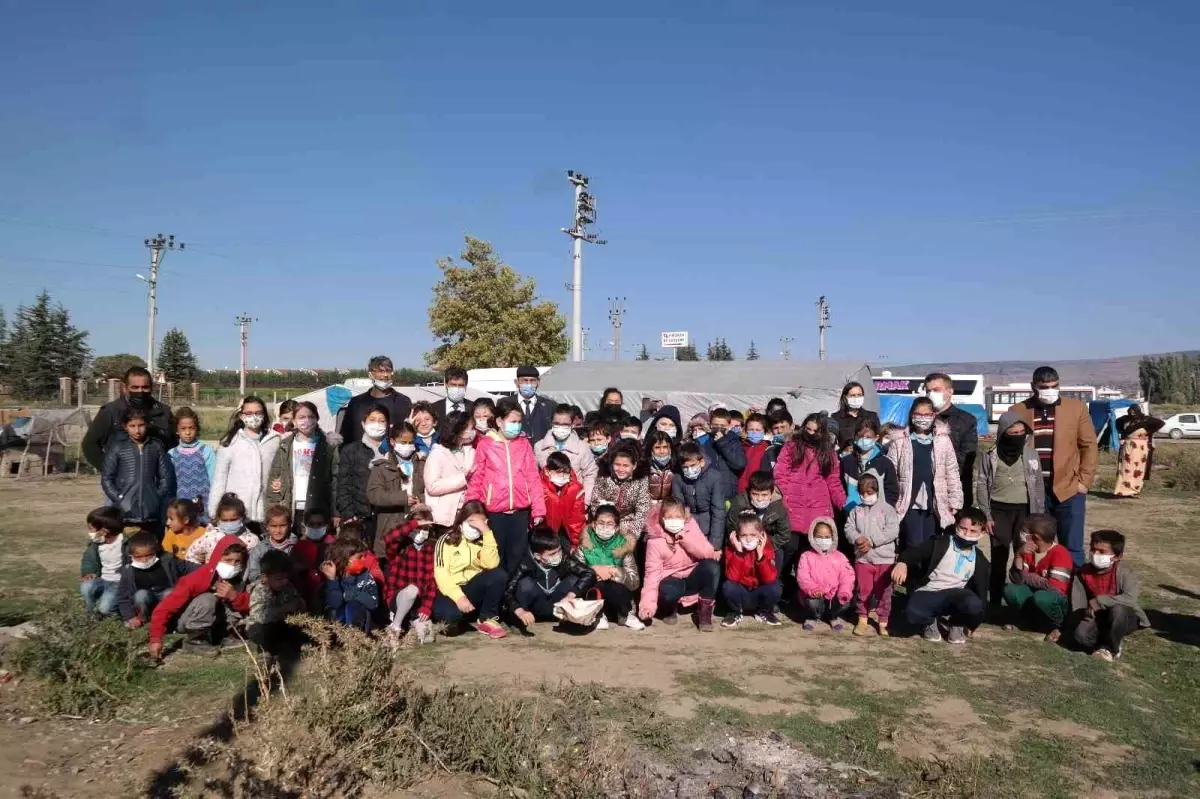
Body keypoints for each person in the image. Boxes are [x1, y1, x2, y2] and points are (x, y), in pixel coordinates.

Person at [1007, 366, 1098, 566]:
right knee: (1034, 543)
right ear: (1033, 386)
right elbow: (1008, 448)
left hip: (1069, 489)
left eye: (1054, 386)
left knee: (1072, 547)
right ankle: (1035, 588)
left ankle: (1072, 593)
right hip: (1032, 491)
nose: (1049, 390)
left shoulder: (1076, 408)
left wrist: (1084, 481)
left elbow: (1089, 445)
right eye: (1044, 386)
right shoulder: (1018, 410)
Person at [466, 397, 546, 573]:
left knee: (517, 556)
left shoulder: (524, 444)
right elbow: (477, 478)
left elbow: (532, 476)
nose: (516, 426)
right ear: (499, 421)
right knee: (496, 555)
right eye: (513, 421)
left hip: (520, 512)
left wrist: (538, 508)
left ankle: (513, 595)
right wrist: (471, 509)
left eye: (519, 422)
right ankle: (498, 595)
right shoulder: (486, 445)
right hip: (494, 512)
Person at [975, 410, 1046, 608]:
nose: (1017, 437)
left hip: (1025, 512)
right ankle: (995, 602)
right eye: (1012, 433)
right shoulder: (990, 456)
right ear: (1003, 433)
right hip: (998, 511)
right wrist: (987, 515)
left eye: (1021, 433)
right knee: (999, 556)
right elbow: (981, 485)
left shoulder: (1031, 454)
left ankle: (1019, 601)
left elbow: (1038, 483)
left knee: (1022, 555)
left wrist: (1037, 516)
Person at [892, 508, 990, 644]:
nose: (966, 534)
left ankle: (957, 624)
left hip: (957, 594)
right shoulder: (940, 543)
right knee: (912, 612)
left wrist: (972, 622)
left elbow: (981, 594)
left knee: (974, 605)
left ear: (982, 533)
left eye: (973, 531)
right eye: (962, 528)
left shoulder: (980, 561)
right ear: (956, 526)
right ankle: (929, 622)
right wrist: (902, 563)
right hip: (930, 591)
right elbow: (915, 553)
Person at [149, 536, 251, 659]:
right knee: (208, 599)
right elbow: (165, 608)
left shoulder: (242, 579)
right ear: (217, 558)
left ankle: (226, 635)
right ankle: (195, 640)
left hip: (218, 620)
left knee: (240, 597)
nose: (233, 565)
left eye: (237, 561)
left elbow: (251, 606)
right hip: (188, 621)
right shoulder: (198, 577)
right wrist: (156, 639)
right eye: (228, 560)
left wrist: (234, 597)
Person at [887, 398, 962, 549]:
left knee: (931, 544)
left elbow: (952, 471)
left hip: (935, 502)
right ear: (912, 415)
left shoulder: (943, 441)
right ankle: (911, 571)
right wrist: (890, 501)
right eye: (918, 414)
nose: (922, 418)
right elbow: (891, 473)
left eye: (927, 414)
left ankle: (927, 573)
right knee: (913, 543)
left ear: (934, 415)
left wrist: (955, 500)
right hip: (908, 501)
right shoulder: (900, 441)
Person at [639, 499, 721, 631]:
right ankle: (670, 608)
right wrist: (647, 607)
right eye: (669, 517)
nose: (674, 521)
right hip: (671, 578)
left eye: (678, 517)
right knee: (668, 591)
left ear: (684, 517)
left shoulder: (691, 527)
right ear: (662, 519)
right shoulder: (654, 541)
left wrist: (684, 538)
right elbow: (652, 575)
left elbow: (707, 552)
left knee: (712, 567)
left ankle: (704, 611)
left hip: (692, 574)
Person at [1068, 529, 1149, 661]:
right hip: (1097, 616)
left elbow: (1130, 599)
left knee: (1118, 610)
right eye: (1093, 549)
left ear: (1117, 556)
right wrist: (1083, 616)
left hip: (1124, 616)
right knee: (1080, 636)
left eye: (1102, 552)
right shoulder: (1083, 573)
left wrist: (1099, 601)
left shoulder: (1125, 571)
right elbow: (1078, 604)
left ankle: (1111, 648)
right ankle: (1105, 642)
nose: (1095, 554)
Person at [432, 501, 508, 639]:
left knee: (499, 575)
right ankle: (461, 617)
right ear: (462, 521)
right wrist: (459, 597)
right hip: (451, 590)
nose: (474, 527)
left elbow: (492, 565)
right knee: (449, 620)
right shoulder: (446, 540)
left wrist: (486, 532)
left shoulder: (483, 540)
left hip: (472, 587)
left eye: (480, 523)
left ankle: (487, 619)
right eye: (471, 522)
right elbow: (441, 574)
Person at [774, 414, 846, 552]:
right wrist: (785, 494)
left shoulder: (828, 452)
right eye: (808, 429)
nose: (811, 433)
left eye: (815, 431)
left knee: (810, 551)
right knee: (789, 548)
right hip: (793, 502)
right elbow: (781, 472)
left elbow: (833, 480)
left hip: (818, 504)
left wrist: (843, 503)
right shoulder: (792, 446)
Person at [83, 366, 177, 472]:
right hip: (123, 483)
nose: (140, 391)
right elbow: (89, 445)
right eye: (135, 387)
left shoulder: (163, 412)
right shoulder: (111, 412)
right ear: (125, 387)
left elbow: (175, 444)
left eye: (145, 387)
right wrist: (110, 470)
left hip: (157, 479)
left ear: (151, 387)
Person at [505, 527, 598, 631]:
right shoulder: (524, 564)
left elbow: (589, 573)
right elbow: (508, 592)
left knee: (574, 579)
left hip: (557, 605)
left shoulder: (564, 559)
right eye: (552, 554)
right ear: (538, 556)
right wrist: (519, 610)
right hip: (533, 609)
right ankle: (520, 623)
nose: (558, 555)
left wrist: (571, 595)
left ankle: (570, 620)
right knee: (525, 584)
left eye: (558, 550)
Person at [209, 396, 282, 524]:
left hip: (266, 510)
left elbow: (280, 471)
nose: (253, 416)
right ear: (242, 416)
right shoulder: (230, 442)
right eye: (249, 413)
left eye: (258, 412)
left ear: (264, 415)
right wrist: (214, 511)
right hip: (237, 511)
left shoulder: (274, 440)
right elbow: (219, 479)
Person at [843, 473, 900, 637]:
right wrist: (857, 538)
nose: (866, 496)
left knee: (885, 592)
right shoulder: (856, 510)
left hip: (885, 559)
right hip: (863, 559)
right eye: (863, 493)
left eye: (870, 492)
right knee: (863, 590)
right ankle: (862, 618)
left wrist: (872, 541)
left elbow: (892, 531)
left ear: (877, 491)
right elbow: (849, 528)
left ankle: (883, 621)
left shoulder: (888, 509)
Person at [265, 401, 337, 530]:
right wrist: (272, 508)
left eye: (311, 417)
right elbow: (274, 477)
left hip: (318, 508)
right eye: (301, 417)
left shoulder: (328, 446)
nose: (306, 421)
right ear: (294, 420)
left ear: (317, 419)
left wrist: (336, 511)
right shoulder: (285, 445)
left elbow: (336, 479)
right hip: (292, 505)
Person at [102, 407, 175, 532]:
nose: (137, 430)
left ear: (147, 424)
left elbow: (165, 477)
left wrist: (156, 497)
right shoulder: (117, 448)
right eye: (132, 426)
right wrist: (120, 498)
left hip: (151, 513)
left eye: (141, 425)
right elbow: (107, 478)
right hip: (125, 513)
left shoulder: (156, 447)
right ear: (125, 426)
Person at [1003, 514, 1073, 640]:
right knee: (1011, 590)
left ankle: (1058, 626)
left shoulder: (1060, 553)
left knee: (1042, 597)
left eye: (1025, 533)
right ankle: (1028, 621)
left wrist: (1027, 577)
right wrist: (1018, 555)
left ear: (1036, 537)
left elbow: (1054, 587)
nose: (1022, 535)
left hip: (1055, 599)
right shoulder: (1027, 551)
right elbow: (1017, 580)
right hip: (1035, 595)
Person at [574, 504, 643, 630]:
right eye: (601, 523)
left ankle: (625, 614)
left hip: (616, 590)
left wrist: (615, 572)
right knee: (593, 586)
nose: (604, 527)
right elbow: (574, 571)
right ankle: (598, 615)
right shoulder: (584, 545)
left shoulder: (624, 546)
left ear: (616, 528)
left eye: (609, 524)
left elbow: (635, 581)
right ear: (594, 524)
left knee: (617, 588)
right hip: (594, 591)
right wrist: (594, 571)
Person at [367, 421, 426, 556]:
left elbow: (431, 489)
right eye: (403, 442)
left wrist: (420, 499)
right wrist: (402, 498)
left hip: (417, 526)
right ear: (393, 442)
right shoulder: (382, 466)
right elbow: (374, 494)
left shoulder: (422, 463)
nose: (407, 446)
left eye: (410, 442)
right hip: (390, 525)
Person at [337, 404, 391, 549]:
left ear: (388, 425)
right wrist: (349, 515)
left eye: (381, 421)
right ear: (363, 423)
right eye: (372, 420)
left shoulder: (394, 451)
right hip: (361, 517)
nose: (377, 424)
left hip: (388, 517)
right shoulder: (351, 451)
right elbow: (343, 486)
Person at [382, 509, 439, 646]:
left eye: (424, 528)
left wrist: (427, 607)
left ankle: (411, 620)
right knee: (412, 590)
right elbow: (389, 537)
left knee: (427, 637)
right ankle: (395, 628)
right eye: (418, 528)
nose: (420, 532)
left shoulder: (431, 550)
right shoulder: (400, 548)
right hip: (397, 598)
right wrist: (414, 523)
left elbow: (432, 581)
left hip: (419, 603)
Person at [923, 373, 979, 507]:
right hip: (924, 489)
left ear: (949, 392)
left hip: (953, 490)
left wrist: (941, 477)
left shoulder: (966, 420)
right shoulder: (920, 418)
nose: (931, 394)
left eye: (936, 390)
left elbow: (966, 456)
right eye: (928, 391)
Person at [117, 532, 192, 629]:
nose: (144, 560)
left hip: (165, 597)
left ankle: (171, 620)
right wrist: (130, 616)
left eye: (149, 555)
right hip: (146, 602)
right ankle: (146, 620)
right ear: (131, 556)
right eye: (139, 557)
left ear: (156, 551)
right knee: (141, 595)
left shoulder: (168, 560)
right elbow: (123, 595)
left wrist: (210, 570)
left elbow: (188, 567)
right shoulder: (128, 571)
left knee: (170, 593)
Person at [721, 513, 782, 627]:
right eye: (743, 535)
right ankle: (736, 612)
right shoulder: (731, 549)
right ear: (737, 536)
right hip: (741, 593)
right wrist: (738, 552)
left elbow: (769, 579)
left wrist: (760, 556)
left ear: (761, 535)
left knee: (775, 587)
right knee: (728, 586)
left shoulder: (767, 548)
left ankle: (764, 611)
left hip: (759, 592)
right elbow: (732, 577)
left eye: (753, 535)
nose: (748, 539)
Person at [726, 471, 793, 575]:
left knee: (779, 553)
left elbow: (784, 534)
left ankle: (775, 580)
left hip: (768, 544)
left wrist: (766, 546)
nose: (760, 499)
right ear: (749, 492)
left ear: (771, 493)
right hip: (743, 543)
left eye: (764, 495)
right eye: (755, 494)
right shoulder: (739, 504)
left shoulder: (778, 508)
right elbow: (731, 527)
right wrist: (742, 544)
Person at [246, 548, 308, 658]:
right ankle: (265, 651)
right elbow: (259, 616)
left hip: (281, 625)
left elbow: (300, 605)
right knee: (259, 630)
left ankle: (296, 646)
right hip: (263, 626)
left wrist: (298, 604)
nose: (284, 581)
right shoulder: (259, 590)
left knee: (298, 624)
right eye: (279, 579)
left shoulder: (288, 588)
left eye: (286, 578)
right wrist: (283, 609)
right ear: (265, 577)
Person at [796, 517, 855, 631]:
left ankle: (833, 617)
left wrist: (843, 591)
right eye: (819, 537)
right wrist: (813, 589)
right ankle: (812, 617)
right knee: (812, 602)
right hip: (815, 594)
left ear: (833, 537)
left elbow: (847, 576)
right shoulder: (806, 556)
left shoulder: (840, 557)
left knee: (845, 601)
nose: (823, 540)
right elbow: (803, 577)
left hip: (833, 595)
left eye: (827, 537)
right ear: (812, 537)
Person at [339, 356, 412, 444]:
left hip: (391, 455)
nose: (385, 375)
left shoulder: (403, 401)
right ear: (370, 374)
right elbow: (346, 434)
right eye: (381, 371)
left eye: (388, 371)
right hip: (360, 455)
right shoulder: (356, 403)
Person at [534, 404, 599, 502]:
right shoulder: (539, 447)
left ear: (572, 424)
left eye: (565, 424)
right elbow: (534, 475)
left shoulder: (582, 447)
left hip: (574, 502)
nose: (560, 427)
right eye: (556, 423)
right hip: (547, 503)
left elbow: (590, 474)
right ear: (551, 423)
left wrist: (585, 501)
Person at [423, 411, 477, 527]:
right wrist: (463, 478)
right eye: (470, 428)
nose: (473, 431)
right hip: (443, 515)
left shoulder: (471, 452)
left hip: (466, 512)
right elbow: (432, 486)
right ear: (459, 429)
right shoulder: (437, 454)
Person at [590, 440, 651, 542]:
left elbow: (643, 509)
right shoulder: (604, 477)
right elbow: (596, 502)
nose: (621, 469)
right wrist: (605, 525)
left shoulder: (640, 480)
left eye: (626, 466)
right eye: (617, 464)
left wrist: (632, 535)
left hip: (628, 523)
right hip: (606, 521)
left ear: (634, 466)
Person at [672, 442, 729, 549]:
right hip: (688, 528)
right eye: (685, 467)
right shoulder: (678, 478)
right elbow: (678, 506)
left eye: (693, 465)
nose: (689, 470)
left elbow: (718, 512)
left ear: (701, 461)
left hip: (708, 528)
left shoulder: (714, 477)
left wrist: (714, 545)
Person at [839, 417, 900, 512]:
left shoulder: (885, 463)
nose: (864, 440)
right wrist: (845, 505)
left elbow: (892, 491)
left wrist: (885, 510)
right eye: (860, 437)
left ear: (876, 437)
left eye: (868, 437)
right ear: (855, 437)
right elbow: (840, 486)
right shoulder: (846, 461)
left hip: (878, 516)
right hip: (851, 513)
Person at [322, 535, 380, 631]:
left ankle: (352, 639)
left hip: (358, 625)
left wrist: (347, 595)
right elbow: (334, 603)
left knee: (353, 606)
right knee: (334, 610)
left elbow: (373, 602)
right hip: (336, 625)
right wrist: (332, 581)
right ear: (344, 559)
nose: (363, 560)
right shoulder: (332, 577)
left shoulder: (365, 576)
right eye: (360, 557)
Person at [186, 493, 262, 564]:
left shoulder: (252, 540)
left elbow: (255, 564)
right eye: (225, 520)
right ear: (219, 519)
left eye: (233, 520)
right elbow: (190, 555)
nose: (229, 523)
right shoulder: (210, 536)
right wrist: (198, 563)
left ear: (242, 518)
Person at [168, 408, 215, 522]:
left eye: (191, 428)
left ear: (196, 429)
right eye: (183, 429)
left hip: (203, 502)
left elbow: (214, 478)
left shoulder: (206, 451)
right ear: (177, 430)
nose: (188, 432)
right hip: (181, 503)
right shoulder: (172, 454)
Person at [80, 506, 127, 615]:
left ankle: (114, 611)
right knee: (86, 586)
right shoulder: (96, 544)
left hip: (119, 583)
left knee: (105, 608)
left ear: (104, 530)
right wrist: (88, 572)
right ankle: (90, 611)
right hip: (103, 580)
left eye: (91, 529)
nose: (89, 532)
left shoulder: (124, 542)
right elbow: (88, 559)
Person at [1113, 406, 1163, 498]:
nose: (1132, 413)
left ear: (1138, 411)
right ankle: (1123, 490)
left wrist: (1148, 432)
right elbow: (1117, 422)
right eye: (1130, 411)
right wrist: (1122, 434)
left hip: (1140, 448)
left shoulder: (1145, 420)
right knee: (1125, 467)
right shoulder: (1126, 419)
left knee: (1138, 469)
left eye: (1134, 411)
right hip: (1128, 446)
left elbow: (1160, 423)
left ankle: (1134, 490)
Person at [541, 451, 587, 548]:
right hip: (545, 534)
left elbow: (577, 519)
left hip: (566, 533)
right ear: (548, 471)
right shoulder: (540, 487)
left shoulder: (576, 489)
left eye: (565, 472)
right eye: (558, 472)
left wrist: (576, 543)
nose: (562, 475)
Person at [293, 509, 336, 610]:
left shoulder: (333, 545)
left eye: (320, 524)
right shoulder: (299, 546)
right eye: (312, 524)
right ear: (305, 525)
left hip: (328, 591)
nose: (316, 527)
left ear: (326, 525)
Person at [245, 505, 296, 584]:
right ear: (267, 526)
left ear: (290, 525)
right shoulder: (259, 549)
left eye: (282, 525)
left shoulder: (295, 547)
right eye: (273, 526)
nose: (278, 530)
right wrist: (265, 581)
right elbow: (253, 574)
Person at [830, 382, 880, 454]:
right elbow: (832, 444)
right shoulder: (836, 418)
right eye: (853, 395)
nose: (856, 398)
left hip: (868, 456)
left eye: (859, 395)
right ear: (845, 398)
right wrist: (842, 452)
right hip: (846, 458)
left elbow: (879, 441)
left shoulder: (872, 416)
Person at [705, 408, 747, 492]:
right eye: (716, 425)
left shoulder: (734, 441)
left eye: (722, 426)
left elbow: (739, 464)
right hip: (708, 489)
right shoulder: (704, 441)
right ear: (710, 425)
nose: (719, 428)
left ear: (728, 426)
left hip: (726, 490)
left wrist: (722, 442)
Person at [515, 365, 556, 443]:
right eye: (524, 380)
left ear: (538, 382)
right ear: (516, 382)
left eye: (532, 380)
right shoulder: (506, 403)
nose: (528, 384)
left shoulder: (549, 406)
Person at [737, 413, 772, 494]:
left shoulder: (767, 449)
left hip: (756, 491)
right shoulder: (741, 446)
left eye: (758, 430)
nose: (754, 432)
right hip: (739, 489)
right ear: (746, 430)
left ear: (764, 431)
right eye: (751, 429)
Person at [644, 430, 678, 507]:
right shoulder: (644, 467)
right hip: (648, 506)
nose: (662, 451)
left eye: (665, 447)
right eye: (657, 447)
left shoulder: (676, 467)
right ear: (651, 450)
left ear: (670, 448)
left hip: (668, 507)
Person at [761, 410, 794, 475]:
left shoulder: (801, 448)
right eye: (776, 428)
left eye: (783, 427)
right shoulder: (769, 451)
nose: (779, 431)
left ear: (792, 426)